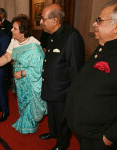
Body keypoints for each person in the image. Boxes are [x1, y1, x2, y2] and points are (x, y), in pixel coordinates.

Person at [65, 1, 117, 150]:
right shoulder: (103, 47)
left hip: (99, 138)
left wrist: (109, 137)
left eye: (99, 20)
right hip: (85, 132)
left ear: (116, 27)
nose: (94, 24)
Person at [0, 14, 47, 134]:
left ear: (22, 32)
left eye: (14, 28)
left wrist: (22, 73)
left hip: (32, 82)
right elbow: (7, 56)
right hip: (20, 81)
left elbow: (39, 68)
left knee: (31, 105)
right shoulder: (14, 41)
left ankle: (30, 127)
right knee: (22, 101)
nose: (11, 30)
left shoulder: (34, 46)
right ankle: (25, 123)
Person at [39, 4, 85, 150]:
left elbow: (75, 69)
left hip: (63, 91)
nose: (41, 22)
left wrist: (72, 96)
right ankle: (53, 133)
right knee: (52, 115)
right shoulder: (51, 34)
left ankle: (62, 143)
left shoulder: (71, 36)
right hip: (52, 87)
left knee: (62, 119)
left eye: (43, 19)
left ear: (55, 20)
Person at [0, 8, 13, 90]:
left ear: (3, 15)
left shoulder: (9, 24)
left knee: (7, 68)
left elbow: (9, 38)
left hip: (6, 50)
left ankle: (8, 84)